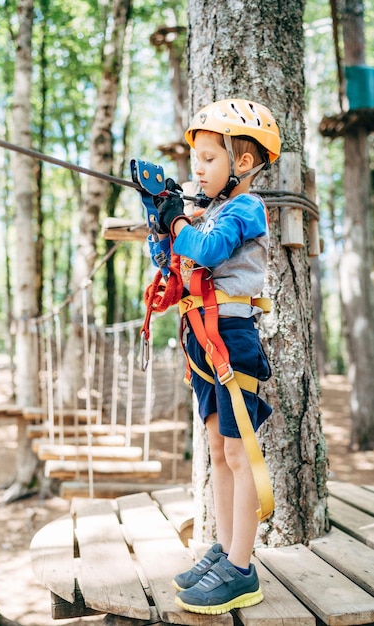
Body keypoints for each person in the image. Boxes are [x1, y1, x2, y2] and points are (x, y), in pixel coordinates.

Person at [149, 98, 281, 615]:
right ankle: (225, 551)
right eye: (195, 160)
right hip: (203, 335)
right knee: (216, 448)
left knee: (237, 451)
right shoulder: (207, 211)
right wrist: (162, 224)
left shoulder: (245, 208)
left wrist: (180, 222)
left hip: (233, 338)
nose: (196, 169)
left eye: (207, 158)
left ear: (241, 164)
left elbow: (206, 250)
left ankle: (242, 569)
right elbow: (172, 257)